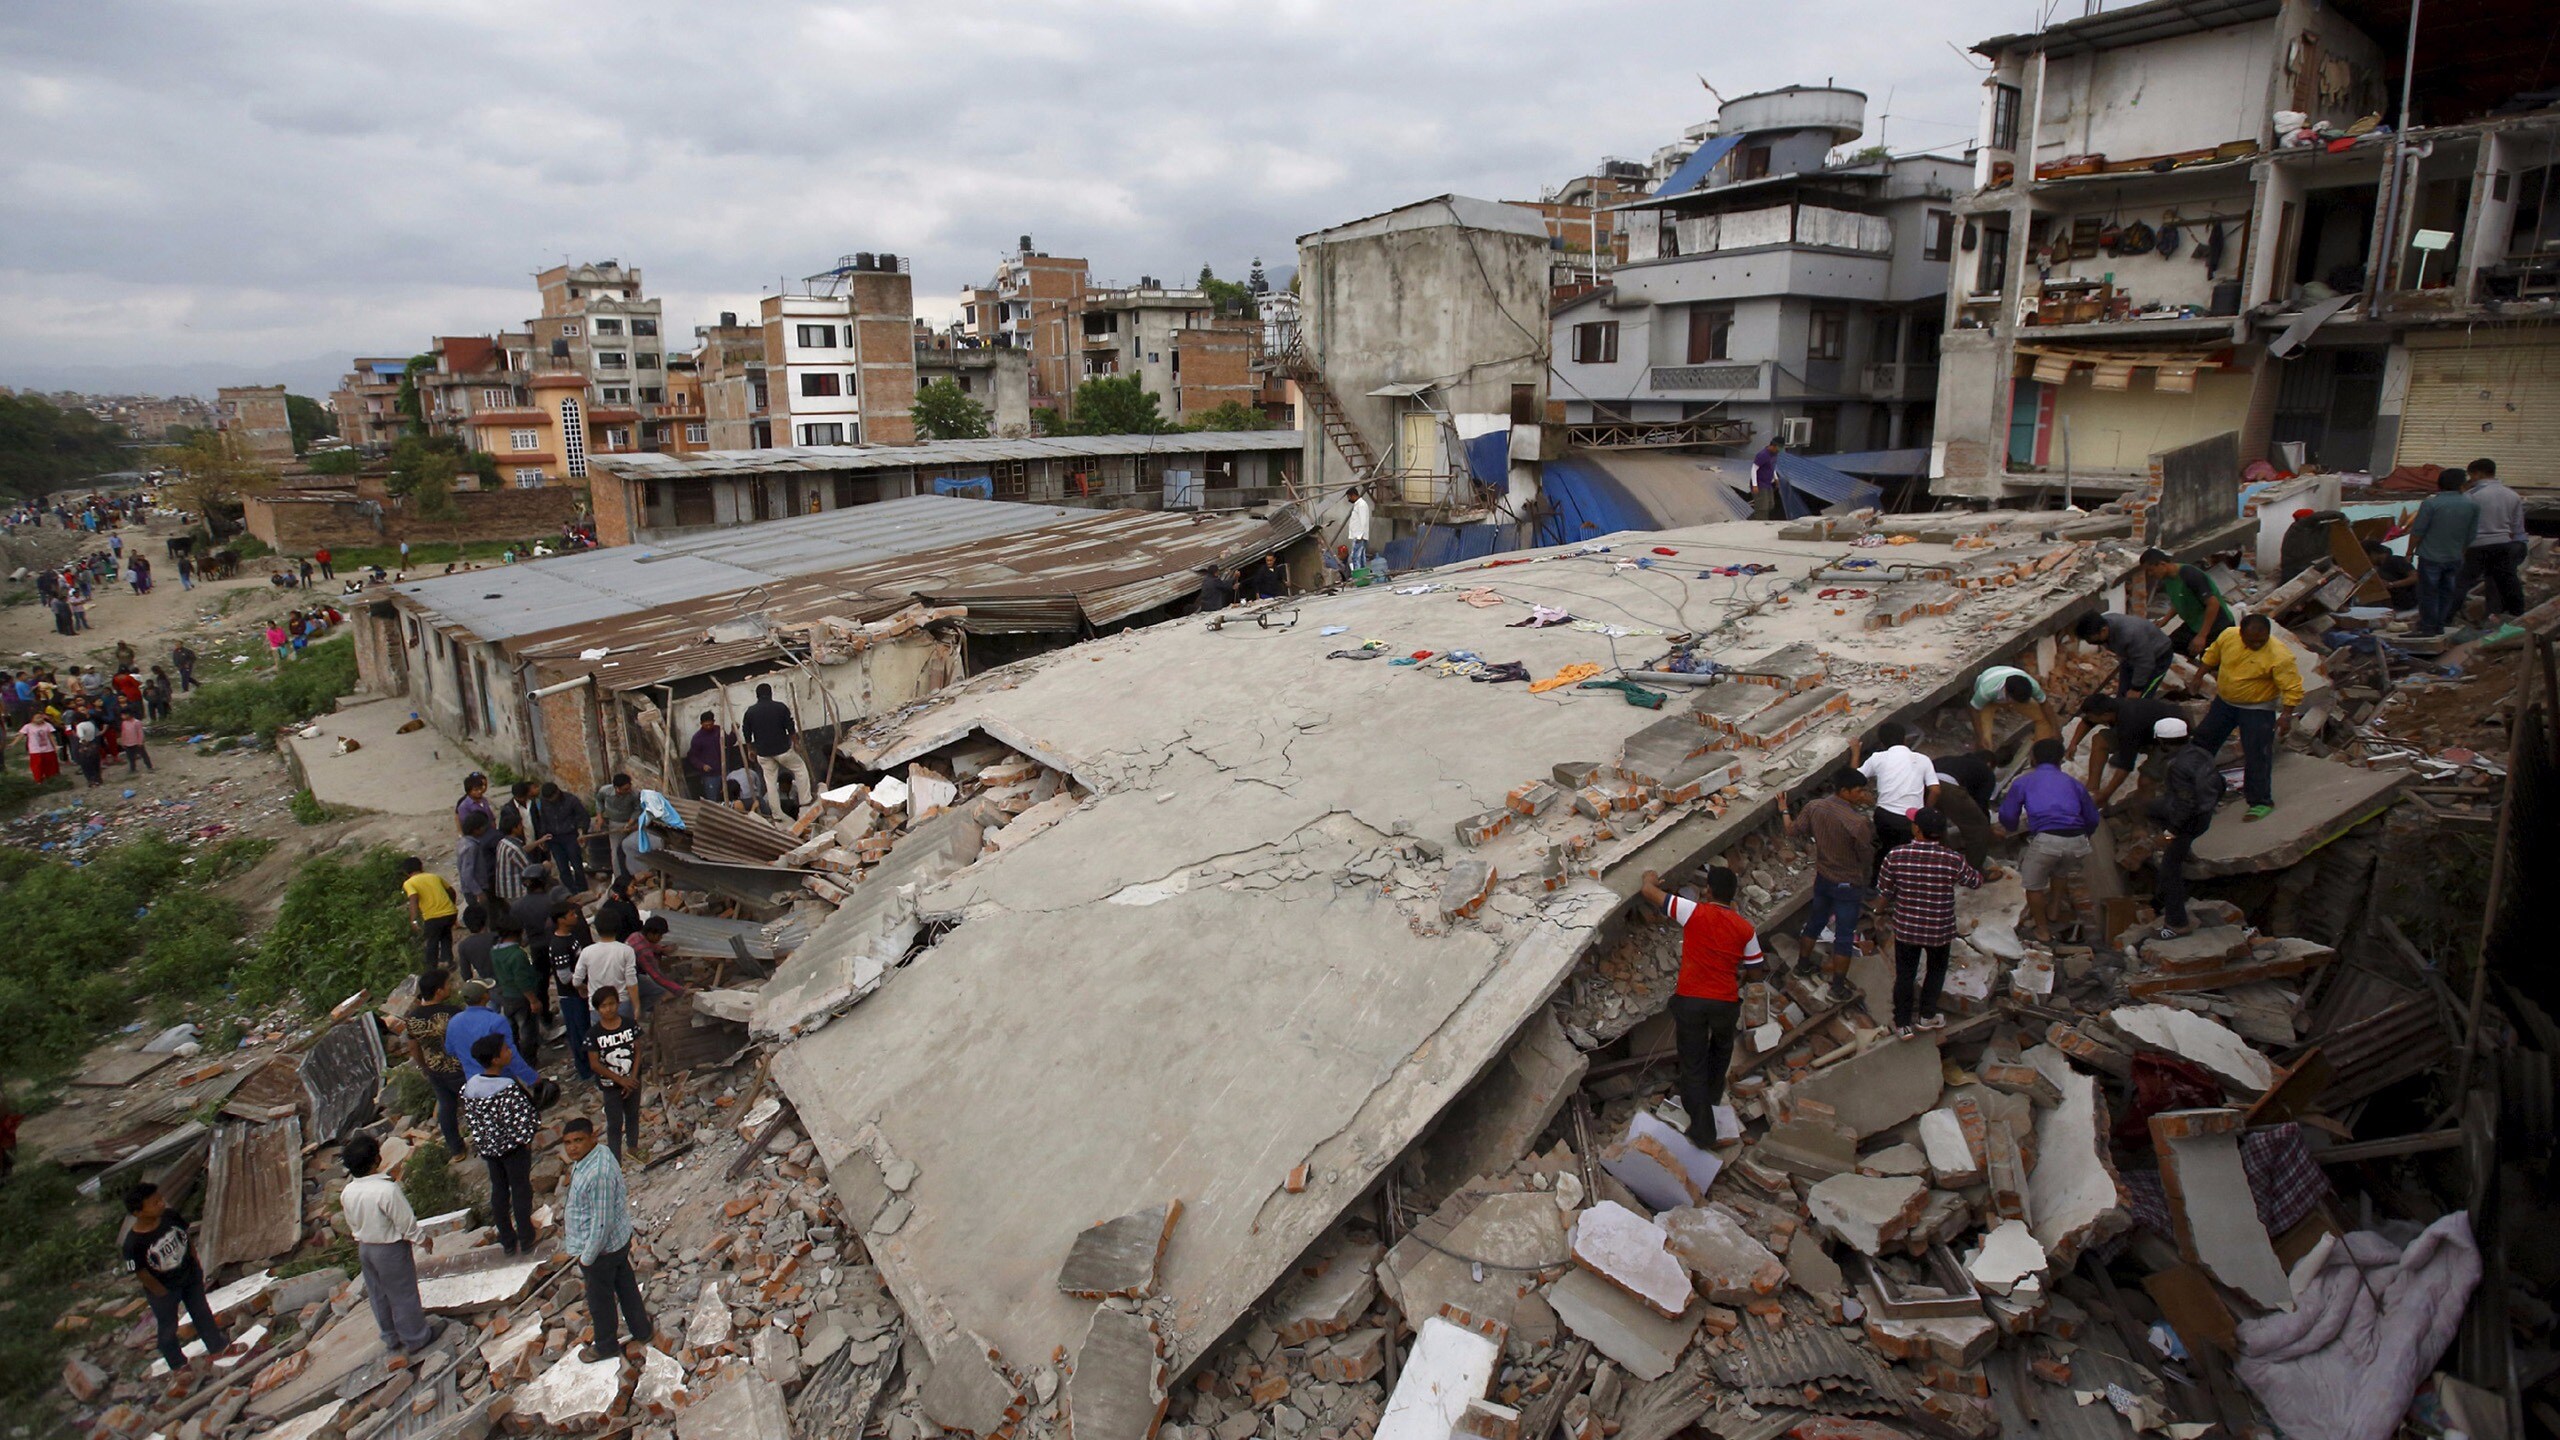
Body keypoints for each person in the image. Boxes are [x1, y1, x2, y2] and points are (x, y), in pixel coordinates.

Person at [1634, 865, 1762, 1146]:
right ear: (1733, 897)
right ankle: (1712, 1098)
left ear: (1709, 891)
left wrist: (1650, 877)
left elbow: (1648, 892)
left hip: (1692, 1000)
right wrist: (1736, 977)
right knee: (1721, 1051)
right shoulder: (1745, 929)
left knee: (1693, 1063)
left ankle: (1703, 1131)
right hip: (1725, 1004)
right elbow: (1756, 970)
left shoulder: (1693, 911)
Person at [1875, 808, 1984, 1037]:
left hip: (1906, 927)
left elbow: (1885, 889)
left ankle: (1903, 1023)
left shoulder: (1896, 855)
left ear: (1916, 829)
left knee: (1905, 974)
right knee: (1936, 970)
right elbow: (1974, 881)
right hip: (1939, 929)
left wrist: (1878, 911)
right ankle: (1926, 1015)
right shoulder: (1952, 860)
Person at [339, 1134, 441, 1362]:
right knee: (403, 1293)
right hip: (390, 1248)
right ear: (376, 1160)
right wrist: (422, 1239)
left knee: (378, 1294)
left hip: (365, 1247)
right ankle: (416, 1337)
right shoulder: (386, 1190)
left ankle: (391, 1337)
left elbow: (352, 1223)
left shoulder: (348, 1192)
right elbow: (405, 1222)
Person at [561, 1117, 654, 1364]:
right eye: (568, 1143)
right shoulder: (598, 1155)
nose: (572, 1147)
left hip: (601, 1250)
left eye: (578, 1140)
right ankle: (642, 1330)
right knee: (625, 1286)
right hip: (616, 1243)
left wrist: (587, 1257)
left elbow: (602, 1222)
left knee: (600, 1301)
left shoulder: (597, 1173)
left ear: (593, 1137)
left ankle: (605, 1346)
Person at [2193, 614, 2303, 821]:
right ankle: (2200, 790)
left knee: (2257, 754)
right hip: (2224, 704)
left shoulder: (2279, 656)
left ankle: (2260, 801)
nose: (2256, 644)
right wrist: (2198, 676)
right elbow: (2212, 655)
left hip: (2258, 709)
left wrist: (2286, 715)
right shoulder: (2228, 636)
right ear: (2241, 633)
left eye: (2261, 641)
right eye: (2251, 640)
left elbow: (2291, 687)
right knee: (2202, 744)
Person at [1997, 737, 2103, 945]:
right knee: (2060, 871)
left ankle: (2043, 930)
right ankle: (2054, 909)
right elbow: (2092, 817)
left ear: (2033, 758)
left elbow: (2008, 815)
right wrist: (2084, 836)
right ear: (2060, 759)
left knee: (2033, 884)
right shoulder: (2074, 784)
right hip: (2077, 840)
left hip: (2047, 839)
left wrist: (2009, 828)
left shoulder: (2024, 782)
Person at [1777, 774, 1873, 1003]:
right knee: (1844, 936)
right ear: (1845, 791)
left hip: (1823, 879)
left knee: (1815, 922)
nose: (1863, 795)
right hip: (1848, 885)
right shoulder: (1857, 823)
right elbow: (1866, 857)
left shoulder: (1814, 807)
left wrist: (1783, 810)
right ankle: (1837, 987)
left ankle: (1802, 965)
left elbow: (1791, 831)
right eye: (1858, 791)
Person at [122, 1182, 230, 1373]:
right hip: (164, 1288)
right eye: (154, 1203)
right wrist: (160, 1292)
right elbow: (140, 1272)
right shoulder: (133, 1244)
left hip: (189, 1276)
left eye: (160, 1200)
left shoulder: (170, 1217)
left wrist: (196, 1263)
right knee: (168, 1327)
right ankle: (178, 1364)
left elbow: (186, 1238)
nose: (161, 1204)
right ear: (138, 1212)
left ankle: (218, 1346)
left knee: (201, 1312)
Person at [2144, 718, 2226, 937]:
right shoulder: (2201, 753)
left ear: (2162, 742)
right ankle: (2183, 848)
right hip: (2204, 812)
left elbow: (2185, 804)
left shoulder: (2177, 766)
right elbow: (2220, 783)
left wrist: (2170, 833)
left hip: (2190, 820)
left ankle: (2177, 923)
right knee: (2151, 807)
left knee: (2170, 870)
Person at [461, 1033, 541, 1255]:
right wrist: (526, 1139)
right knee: (521, 1190)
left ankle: (507, 1240)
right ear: (496, 1059)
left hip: (490, 1150)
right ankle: (526, 1236)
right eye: (505, 1049)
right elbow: (522, 1119)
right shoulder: (506, 1087)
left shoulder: (471, 1086)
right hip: (513, 1149)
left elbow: (473, 1121)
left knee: (499, 1191)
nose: (509, 1052)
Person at [391, 969, 468, 1154]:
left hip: (435, 1068)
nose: (450, 987)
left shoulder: (413, 1017)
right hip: (459, 1067)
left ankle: (456, 1149)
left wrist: (424, 1066)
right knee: (475, 1101)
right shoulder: (453, 1013)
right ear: (439, 991)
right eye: (447, 984)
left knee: (446, 1107)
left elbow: (413, 1046)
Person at [2068, 692, 2192, 807]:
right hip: (2145, 730)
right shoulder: (2110, 706)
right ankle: (2092, 788)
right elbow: (2087, 722)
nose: (2090, 719)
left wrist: (2106, 795)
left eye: (2091, 717)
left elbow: (2125, 765)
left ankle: (2141, 823)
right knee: (2100, 740)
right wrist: (2073, 744)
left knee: (2147, 781)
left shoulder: (2129, 723)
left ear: (2106, 715)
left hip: (2168, 739)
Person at [2406, 467, 2479, 637]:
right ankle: (2439, 625)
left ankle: (2427, 627)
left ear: (2440, 484)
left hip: (2430, 556)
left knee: (2428, 593)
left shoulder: (2431, 503)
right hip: (2454, 556)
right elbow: (2471, 534)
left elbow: (2418, 531)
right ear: (2461, 484)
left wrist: (2409, 551)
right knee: (2447, 592)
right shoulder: (2472, 505)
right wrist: (2461, 552)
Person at [1853, 722, 1938, 863]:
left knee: (1886, 851)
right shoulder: (1923, 759)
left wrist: (1856, 752)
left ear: (1881, 742)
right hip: (1911, 820)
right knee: (1909, 857)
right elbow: (1935, 790)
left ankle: (1879, 881)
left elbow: (1854, 778)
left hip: (1885, 816)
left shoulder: (1877, 758)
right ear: (1905, 739)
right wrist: (1926, 812)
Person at [2458, 458, 2525, 622]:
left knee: (2462, 581)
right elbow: (2517, 527)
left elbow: (2464, 524)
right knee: (2507, 580)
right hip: (2504, 543)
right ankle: (2517, 614)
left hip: (2478, 544)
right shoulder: (2512, 495)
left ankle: (2446, 617)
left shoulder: (2470, 496)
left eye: (2471, 475)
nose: (2471, 479)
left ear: (2478, 473)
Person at [442, 979, 540, 1089]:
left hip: (474, 1083)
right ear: (485, 996)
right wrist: (532, 1078)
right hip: (501, 1081)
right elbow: (510, 1055)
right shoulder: (496, 1021)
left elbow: (450, 1050)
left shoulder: (454, 1022)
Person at [584, 987, 644, 1160]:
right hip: (610, 1085)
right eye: (603, 1006)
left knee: (633, 1115)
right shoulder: (593, 1034)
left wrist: (632, 1077)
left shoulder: (629, 1024)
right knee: (615, 1122)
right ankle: (615, 1159)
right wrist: (620, 1080)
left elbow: (638, 1050)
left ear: (618, 1003)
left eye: (611, 1004)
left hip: (633, 1080)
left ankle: (633, 1148)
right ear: (597, 1009)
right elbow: (595, 1064)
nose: (608, 1009)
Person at [2139, 548, 2233, 656]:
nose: (2150, 574)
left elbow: (2213, 604)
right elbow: (2179, 600)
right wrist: (2165, 620)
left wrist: (2202, 636)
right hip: (2194, 623)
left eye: (2151, 570)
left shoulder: (2189, 575)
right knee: (2167, 648)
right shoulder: (2167, 578)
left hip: (2216, 626)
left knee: (2208, 661)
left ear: (2162, 564)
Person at [741, 683, 813, 819]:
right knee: (800, 769)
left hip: (763, 753)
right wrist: (796, 743)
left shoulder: (750, 712)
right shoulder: (780, 707)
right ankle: (805, 801)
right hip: (783, 750)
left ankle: (776, 814)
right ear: (771, 693)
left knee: (770, 782)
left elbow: (746, 732)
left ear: (757, 696)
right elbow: (790, 727)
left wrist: (750, 749)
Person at [2074, 611, 2176, 698]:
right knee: (2123, 695)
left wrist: (2137, 689)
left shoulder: (2130, 634)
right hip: (2132, 657)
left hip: (2158, 657)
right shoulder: (2104, 624)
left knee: (2141, 698)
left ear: (2103, 630)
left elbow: (2145, 663)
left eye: (2090, 639)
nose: (2089, 642)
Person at [489, 923, 548, 1068]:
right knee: (528, 1031)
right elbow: (522, 980)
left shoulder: (494, 951)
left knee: (513, 1030)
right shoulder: (517, 955)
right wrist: (533, 1000)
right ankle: (531, 1061)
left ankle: (515, 1059)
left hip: (506, 995)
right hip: (521, 997)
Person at [1968, 663, 2057, 753]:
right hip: (1988, 702)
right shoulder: (1987, 691)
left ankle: (2040, 753)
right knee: (1984, 741)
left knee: (2044, 719)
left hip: (2010, 695)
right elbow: (1973, 709)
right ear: (2008, 695)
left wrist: (2055, 730)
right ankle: (1984, 760)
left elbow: (2045, 704)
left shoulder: (2033, 686)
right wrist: (1979, 738)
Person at [401, 856, 458, 971]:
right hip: (450, 913)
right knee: (446, 936)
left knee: (432, 942)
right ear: (421, 867)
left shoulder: (409, 883)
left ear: (406, 872)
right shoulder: (434, 876)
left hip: (433, 917)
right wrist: (451, 905)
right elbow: (451, 891)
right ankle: (448, 962)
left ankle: (432, 969)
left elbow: (413, 898)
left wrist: (414, 919)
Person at [537, 782, 591, 890]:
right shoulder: (543, 802)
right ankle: (570, 890)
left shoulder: (571, 800)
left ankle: (582, 889)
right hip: (554, 839)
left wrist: (581, 831)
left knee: (577, 864)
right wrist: (542, 837)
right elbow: (543, 820)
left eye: (552, 797)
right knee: (562, 867)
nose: (551, 800)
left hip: (570, 836)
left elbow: (583, 817)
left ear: (557, 792)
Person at [594, 773, 642, 882]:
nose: (628, 790)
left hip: (631, 823)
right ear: (617, 788)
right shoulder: (605, 791)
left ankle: (636, 876)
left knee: (633, 848)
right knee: (615, 851)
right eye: (625, 789)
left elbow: (637, 809)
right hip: (614, 823)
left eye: (629, 787)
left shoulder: (634, 794)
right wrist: (599, 817)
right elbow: (598, 801)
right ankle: (619, 878)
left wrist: (630, 823)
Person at [2362, 541, 2419, 616]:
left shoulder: (2396, 560)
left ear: (2373, 554)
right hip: (2393, 605)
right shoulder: (2378, 568)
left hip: (2409, 601)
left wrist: (2391, 584)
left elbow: (2415, 577)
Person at [455, 811, 496, 915]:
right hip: (475, 890)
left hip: (472, 889)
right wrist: (478, 892)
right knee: (483, 917)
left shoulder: (463, 842)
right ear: (476, 830)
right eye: (483, 827)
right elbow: (467, 874)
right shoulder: (471, 847)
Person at [493, 810, 535, 904]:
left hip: (505, 890)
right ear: (514, 829)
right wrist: (544, 866)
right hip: (515, 891)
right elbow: (529, 869)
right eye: (520, 825)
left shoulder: (502, 842)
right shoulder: (514, 848)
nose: (522, 827)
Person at [683, 713, 724, 802]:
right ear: (701, 724)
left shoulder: (718, 731)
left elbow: (728, 742)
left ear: (714, 722)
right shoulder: (697, 738)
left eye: (710, 724)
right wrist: (702, 766)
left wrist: (733, 732)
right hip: (710, 775)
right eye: (706, 725)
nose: (709, 727)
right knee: (713, 800)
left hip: (724, 770)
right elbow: (692, 756)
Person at [454, 902, 496, 985]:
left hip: (490, 986)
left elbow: (466, 976)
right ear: (486, 920)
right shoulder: (497, 937)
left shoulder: (464, 946)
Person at [18, 709, 58, 783]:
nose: (40, 719)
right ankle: (38, 780)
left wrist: (55, 745)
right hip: (35, 750)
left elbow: (51, 736)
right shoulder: (27, 726)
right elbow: (20, 736)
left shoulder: (47, 725)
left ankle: (52, 778)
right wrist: (13, 744)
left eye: (41, 717)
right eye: (37, 718)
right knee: (37, 766)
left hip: (48, 749)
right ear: (32, 719)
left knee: (50, 765)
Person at [1750, 437, 1785, 521]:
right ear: (1773, 446)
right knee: (1762, 506)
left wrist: (1776, 478)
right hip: (1760, 483)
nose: (1778, 451)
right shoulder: (1763, 455)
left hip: (1768, 483)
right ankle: (1760, 523)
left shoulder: (1774, 454)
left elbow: (1771, 467)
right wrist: (1755, 485)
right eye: (1778, 449)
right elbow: (1754, 469)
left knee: (1770, 504)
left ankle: (1752, 519)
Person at [1345, 486, 1375, 573]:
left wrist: (1359, 536)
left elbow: (1363, 521)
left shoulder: (1361, 505)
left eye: (1349, 497)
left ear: (1353, 495)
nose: (1349, 499)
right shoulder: (1359, 504)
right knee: (1361, 558)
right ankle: (1363, 576)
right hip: (1359, 535)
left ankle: (1358, 576)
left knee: (1355, 557)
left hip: (1359, 536)